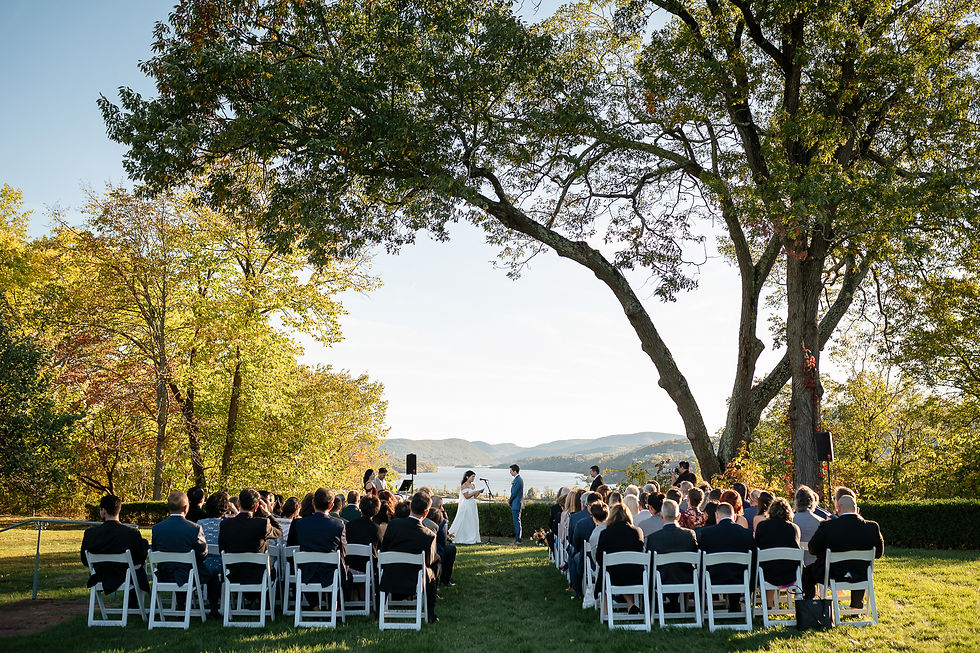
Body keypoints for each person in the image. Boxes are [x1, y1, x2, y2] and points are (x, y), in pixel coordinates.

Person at [807, 491, 884, 608]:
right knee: (859, 566)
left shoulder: (827, 526)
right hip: (861, 575)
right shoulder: (872, 527)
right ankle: (856, 606)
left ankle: (810, 606)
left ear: (837, 508)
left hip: (833, 574)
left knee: (806, 573)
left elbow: (812, 549)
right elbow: (878, 553)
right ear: (857, 509)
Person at [151, 490, 220, 617]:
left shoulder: (157, 528)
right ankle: (214, 609)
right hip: (189, 574)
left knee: (179, 569)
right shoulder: (194, 528)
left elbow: (155, 550)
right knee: (213, 574)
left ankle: (181, 605)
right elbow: (203, 553)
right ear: (186, 507)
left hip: (165, 573)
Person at [379, 491, 440, 623]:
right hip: (414, 578)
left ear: (410, 507)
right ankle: (430, 613)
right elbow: (428, 561)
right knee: (431, 573)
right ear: (426, 513)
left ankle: (379, 611)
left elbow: (384, 549)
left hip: (390, 575)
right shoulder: (429, 535)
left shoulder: (393, 525)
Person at [287, 487, 351, 606]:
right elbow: (343, 552)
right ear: (331, 506)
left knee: (306, 568)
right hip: (330, 573)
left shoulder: (299, 523)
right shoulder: (338, 525)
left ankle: (315, 606)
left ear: (313, 503)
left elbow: (290, 549)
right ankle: (334, 605)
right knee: (345, 573)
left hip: (306, 573)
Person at [80, 495, 150, 599]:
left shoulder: (90, 534)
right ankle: (134, 604)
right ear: (119, 510)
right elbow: (139, 559)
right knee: (138, 571)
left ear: (103, 511)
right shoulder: (131, 533)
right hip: (127, 576)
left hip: (100, 576)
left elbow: (85, 560)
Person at [218, 488, 283, 589]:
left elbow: (221, 549)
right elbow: (279, 531)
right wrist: (268, 514)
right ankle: (258, 601)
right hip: (258, 577)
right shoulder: (262, 524)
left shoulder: (225, 524)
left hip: (234, 574)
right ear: (256, 506)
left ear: (238, 503)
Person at [699, 502, 754, 611]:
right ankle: (734, 603)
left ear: (716, 515)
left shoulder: (706, 533)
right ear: (734, 516)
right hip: (740, 578)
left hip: (714, 578)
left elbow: (701, 557)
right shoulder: (746, 534)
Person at [645, 498, 697, 612]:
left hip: (662, 578)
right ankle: (675, 603)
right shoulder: (689, 535)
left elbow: (650, 562)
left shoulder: (653, 538)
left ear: (661, 517)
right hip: (686, 577)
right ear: (678, 517)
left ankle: (670, 603)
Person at [594, 503, 644, 613]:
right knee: (622, 570)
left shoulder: (605, 533)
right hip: (636, 575)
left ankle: (606, 614)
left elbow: (599, 558)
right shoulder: (637, 531)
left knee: (606, 572)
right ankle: (630, 604)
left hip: (613, 576)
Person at [754, 497, 801, 608]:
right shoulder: (794, 528)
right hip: (790, 573)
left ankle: (768, 606)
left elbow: (757, 546)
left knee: (766, 565)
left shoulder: (762, 526)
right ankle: (799, 605)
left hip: (767, 573)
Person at [793, 484, 825, 592]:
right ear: (812, 502)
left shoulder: (790, 521)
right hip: (816, 566)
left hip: (795, 567)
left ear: (796, 502)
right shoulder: (821, 522)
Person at [448, 469, 482, 544]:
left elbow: (475, 496)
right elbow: (466, 496)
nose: (473, 478)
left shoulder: (473, 485)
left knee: (473, 520)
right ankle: (455, 535)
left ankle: (473, 535)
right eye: (472, 477)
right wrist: (474, 492)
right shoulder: (464, 485)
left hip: (473, 504)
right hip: (466, 505)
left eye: (474, 477)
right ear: (467, 477)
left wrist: (478, 492)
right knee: (465, 520)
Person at [429, 506, 457, 586]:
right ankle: (444, 580)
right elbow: (442, 541)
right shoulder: (441, 522)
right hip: (432, 553)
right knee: (450, 549)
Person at [508, 464, 524, 545]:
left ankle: (518, 540)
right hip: (516, 503)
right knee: (517, 522)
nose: (510, 472)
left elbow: (514, 493)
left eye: (510, 471)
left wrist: (509, 501)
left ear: (514, 471)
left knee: (517, 522)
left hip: (516, 504)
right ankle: (517, 539)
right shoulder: (518, 479)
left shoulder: (518, 480)